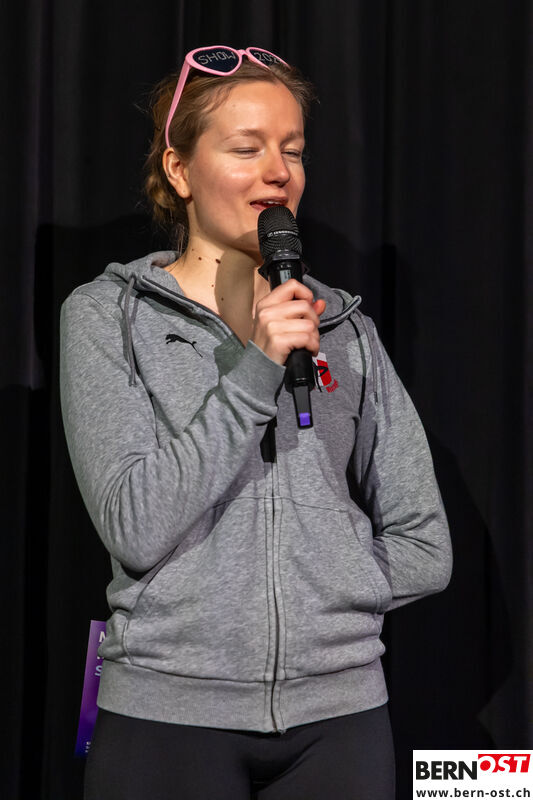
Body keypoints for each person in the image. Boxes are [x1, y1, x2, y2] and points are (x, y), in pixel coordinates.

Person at [60, 46, 452, 800]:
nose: (279, 173)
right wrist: (259, 365)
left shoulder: (343, 328)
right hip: (168, 717)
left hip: (340, 721)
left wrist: (325, 600)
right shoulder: (108, 317)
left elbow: (425, 544)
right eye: (247, 149)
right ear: (179, 170)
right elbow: (135, 525)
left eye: (292, 150)